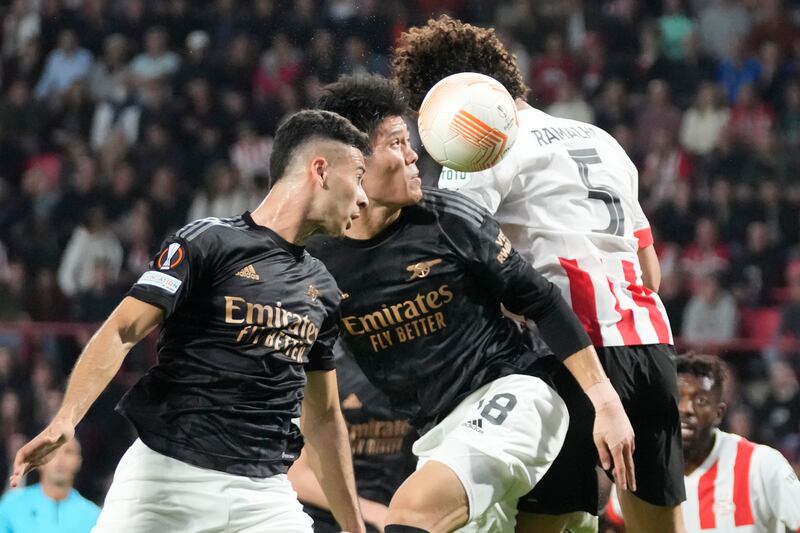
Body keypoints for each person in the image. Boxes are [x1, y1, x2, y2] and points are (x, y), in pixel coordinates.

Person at [9, 109, 372, 533]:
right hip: (163, 479)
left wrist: (353, 526)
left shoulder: (323, 287)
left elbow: (324, 416)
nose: (363, 197)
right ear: (321, 170)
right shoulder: (208, 241)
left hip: (263, 497)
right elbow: (124, 330)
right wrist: (65, 418)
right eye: (359, 175)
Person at [392, 16, 685, 533]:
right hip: (650, 347)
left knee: (549, 523)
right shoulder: (602, 138)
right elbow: (651, 270)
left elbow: (461, 261)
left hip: (569, 355)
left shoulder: (479, 141)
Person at [310, 74, 634, 533]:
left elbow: (541, 302)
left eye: (410, 141)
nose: (413, 155)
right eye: (398, 143)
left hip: (517, 391)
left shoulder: (449, 220)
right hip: (438, 431)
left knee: (411, 512)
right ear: (354, 164)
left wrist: (605, 403)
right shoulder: (316, 261)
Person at [605, 353, 800, 532]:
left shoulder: (761, 464)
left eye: (700, 401)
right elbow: (615, 526)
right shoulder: (641, 468)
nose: (686, 409)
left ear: (719, 413)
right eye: (677, 398)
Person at [288, 345, 416, 533]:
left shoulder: (417, 371)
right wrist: (368, 513)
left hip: (395, 514)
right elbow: (297, 476)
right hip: (326, 517)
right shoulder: (322, 369)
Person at [0, 437, 99, 533]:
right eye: (53, 451)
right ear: (39, 460)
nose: (61, 459)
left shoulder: (95, 516)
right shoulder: (11, 505)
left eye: (68, 452)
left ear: (78, 462)